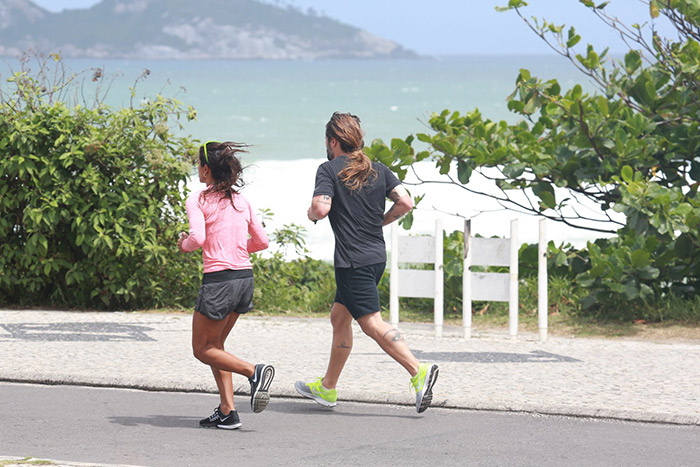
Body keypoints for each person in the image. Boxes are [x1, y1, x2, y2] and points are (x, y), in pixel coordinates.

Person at [295, 112, 439, 413]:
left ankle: (417, 371)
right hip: (375, 257)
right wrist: (381, 222)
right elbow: (406, 202)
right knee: (339, 317)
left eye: (327, 141)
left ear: (332, 141)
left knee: (371, 323)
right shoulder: (379, 169)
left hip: (352, 262)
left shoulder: (329, 169)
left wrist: (311, 213)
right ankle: (327, 388)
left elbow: (321, 208)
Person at [178, 141, 275, 430]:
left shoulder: (199, 199)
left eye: (198, 164)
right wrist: (234, 247)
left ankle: (253, 371)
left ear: (206, 169)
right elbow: (262, 242)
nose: (198, 169)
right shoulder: (241, 201)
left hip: (219, 281)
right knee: (216, 345)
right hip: (244, 278)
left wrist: (184, 245)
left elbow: (196, 239)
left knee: (201, 349)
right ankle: (228, 411)